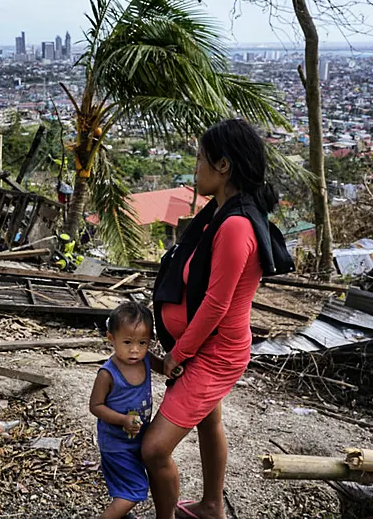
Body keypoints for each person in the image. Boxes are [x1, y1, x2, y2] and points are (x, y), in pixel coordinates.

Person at [142, 118, 294, 519]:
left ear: (223, 165)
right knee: (210, 423)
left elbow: (216, 304)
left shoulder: (236, 225)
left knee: (154, 448)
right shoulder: (222, 213)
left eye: (200, 159)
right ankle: (212, 507)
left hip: (215, 354)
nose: (196, 169)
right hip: (203, 346)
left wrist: (179, 354)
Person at [89, 302, 181, 519]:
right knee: (134, 490)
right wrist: (122, 419)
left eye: (142, 343)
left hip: (138, 440)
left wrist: (176, 369)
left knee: (127, 485)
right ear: (111, 338)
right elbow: (95, 406)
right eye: (127, 342)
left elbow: (166, 368)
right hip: (116, 444)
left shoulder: (146, 359)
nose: (134, 350)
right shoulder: (108, 374)